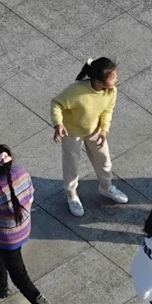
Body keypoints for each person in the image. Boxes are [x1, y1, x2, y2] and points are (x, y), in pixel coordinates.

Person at [0, 145, 69, 304]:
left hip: (7, 236)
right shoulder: (22, 173)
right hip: (23, 228)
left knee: (21, 279)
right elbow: (31, 194)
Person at [51, 57, 129, 217]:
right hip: (72, 133)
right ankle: (71, 195)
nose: (117, 79)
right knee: (71, 165)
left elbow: (107, 111)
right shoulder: (76, 91)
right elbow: (56, 104)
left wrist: (104, 130)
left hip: (95, 131)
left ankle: (106, 187)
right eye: (113, 77)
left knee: (104, 160)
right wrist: (58, 124)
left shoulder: (111, 91)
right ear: (99, 81)